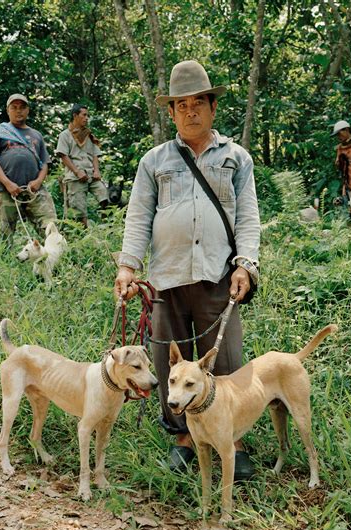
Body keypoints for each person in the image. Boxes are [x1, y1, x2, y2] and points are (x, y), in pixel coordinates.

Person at [114, 60, 260, 479]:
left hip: (218, 276)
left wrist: (246, 265)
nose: (191, 110)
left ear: (213, 107)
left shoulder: (236, 158)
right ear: (172, 112)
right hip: (167, 278)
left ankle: (230, 439)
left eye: (199, 102)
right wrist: (128, 266)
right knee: (169, 362)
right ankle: (182, 437)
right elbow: (138, 216)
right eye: (182, 104)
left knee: (227, 360)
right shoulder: (154, 161)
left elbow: (248, 217)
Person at [0, 94, 56, 244]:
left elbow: (45, 163)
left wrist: (38, 181)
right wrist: (7, 183)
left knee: (51, 229)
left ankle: (57, 263)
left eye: (22, 107)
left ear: (28, 110)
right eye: (14, 108)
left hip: (34, 191)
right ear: (7, 110)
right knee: (3, 234)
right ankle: (4, 266)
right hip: (5, 190)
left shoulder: (37, 135)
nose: (18, 111)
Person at [56, 104, 108, 227]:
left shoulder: (89, 135)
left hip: (91, 174)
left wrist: (97, 171)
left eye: (87, 115)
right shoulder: (65, 135)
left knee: (106, 198)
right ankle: (82, 236)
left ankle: (107, 227)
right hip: (75, 176)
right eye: (84, 115)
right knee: (79, 212)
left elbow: (95, 154)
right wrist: (77, 172)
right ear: (75, 116)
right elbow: (63, 155)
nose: (86, 118)